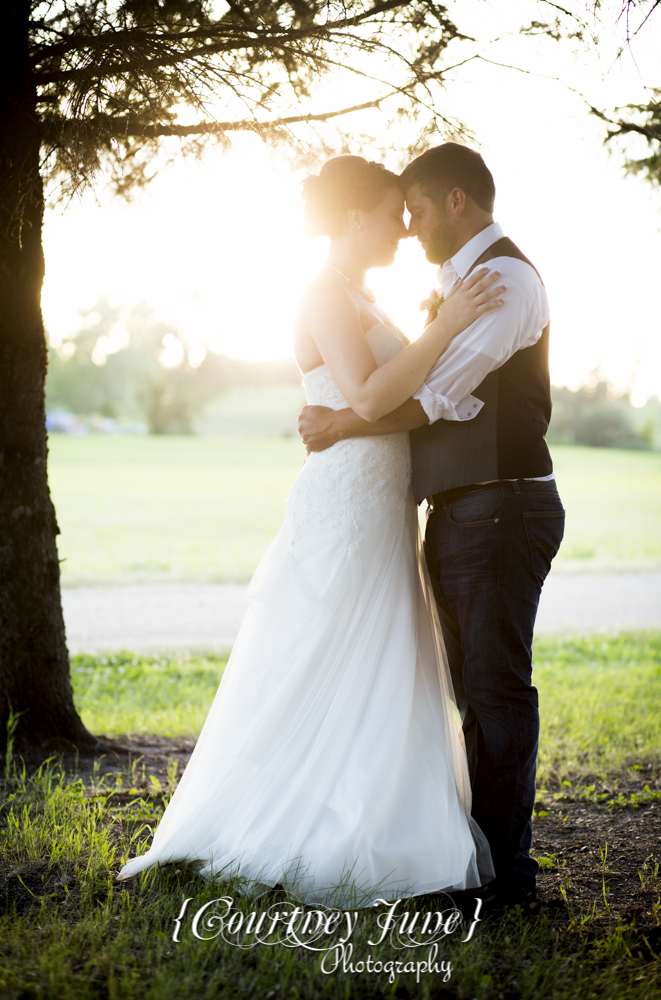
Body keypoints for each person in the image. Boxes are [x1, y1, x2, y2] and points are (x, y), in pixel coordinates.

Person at [116, 155, 504, 907]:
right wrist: (446, 327)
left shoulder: (359, 293)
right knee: (327, 649)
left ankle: (376, 813)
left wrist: (425, 330)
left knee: (380, 654)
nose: (403, 225)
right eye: (393, 211)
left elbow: (382, 397)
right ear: (355, 218)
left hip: (381, 499)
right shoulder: (323, 294)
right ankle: (291, 820)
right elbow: (366, 389)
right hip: (346, 501)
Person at [298, 143, 566, 912]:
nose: (409, 228)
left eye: (414, 210)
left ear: (456, 201)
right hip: (459, 508)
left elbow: (443, 392)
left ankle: (504, 874)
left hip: (503, 504)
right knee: (465, 691)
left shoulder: (503, 280)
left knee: (494, 688)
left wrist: (341, 423)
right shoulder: (454, 287)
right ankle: (472, 854)